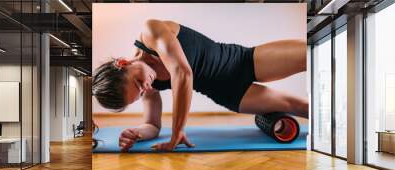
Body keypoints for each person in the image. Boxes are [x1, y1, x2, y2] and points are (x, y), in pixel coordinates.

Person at [92, 19, 308, 151]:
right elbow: (153, 126)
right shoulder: (151, 87)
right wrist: (136, 132)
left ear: (122, 63)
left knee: (310, 55)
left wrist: (178, 131)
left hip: (242, 61)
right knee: (295, 105)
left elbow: (183, 73)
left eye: (139, 82)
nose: (146, 88)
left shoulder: (151, 31)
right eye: (140, 94)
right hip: (229, 94)